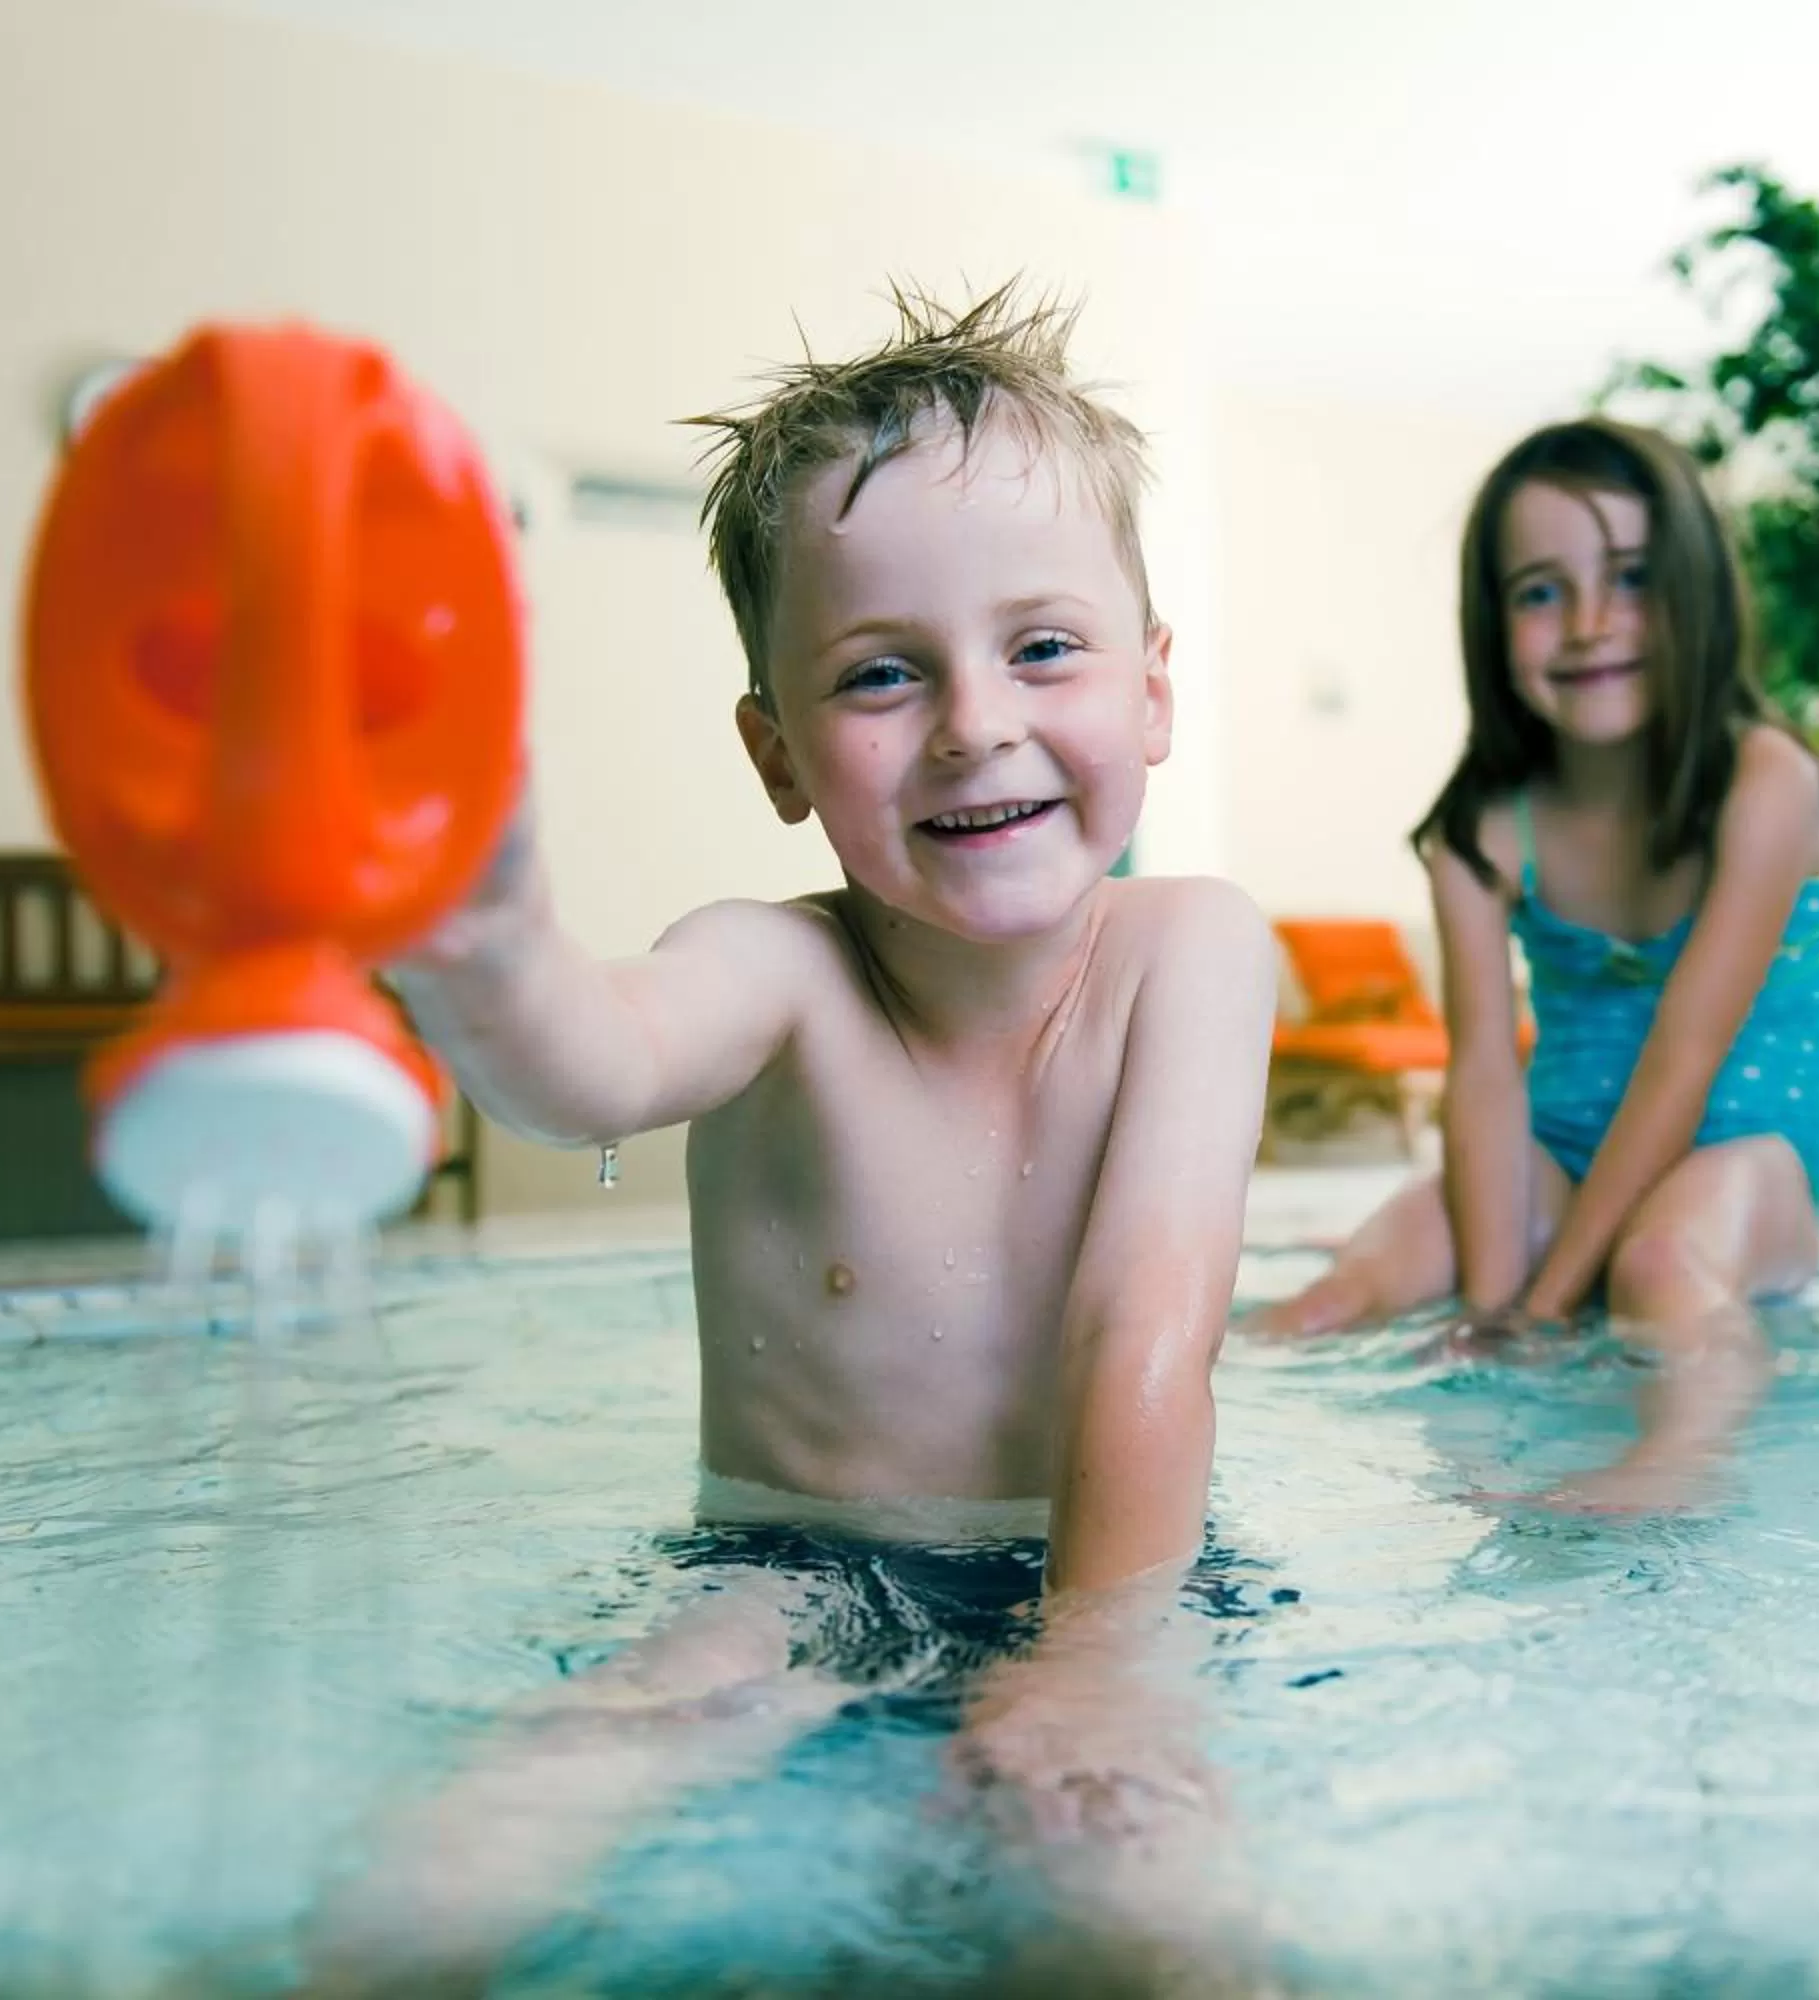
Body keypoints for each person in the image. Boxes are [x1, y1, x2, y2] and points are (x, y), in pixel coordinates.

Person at [313, 284, 1276, 1990]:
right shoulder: (775, 970)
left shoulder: (1189, 954)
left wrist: (1101, 1657)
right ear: (779, 750)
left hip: (1117, 1563)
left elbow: (1149, 1330)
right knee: (541, 1790)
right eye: (882, 673)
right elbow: (584, 1070)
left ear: (1152, 693)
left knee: (1148, 1899)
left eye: (1042, 647)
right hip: (790, 1571)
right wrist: (480, 924)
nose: (976, 720)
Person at [1249, 419, 1819, 1516]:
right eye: (1539, 591)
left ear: (1695, 591)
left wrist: (1546, 1295)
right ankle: (1200, 1389)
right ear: (1492, 622)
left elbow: (1686, 1053)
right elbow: (1481, 1069)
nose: (1588, 624)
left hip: (1742, 1157)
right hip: (1563, 1151)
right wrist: (1489, 1309)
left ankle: (1673, 1467)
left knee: (1660, 1266)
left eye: (1630, 577)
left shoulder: (1766, 783)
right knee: (1367, 1278)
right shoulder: (1484, 827)